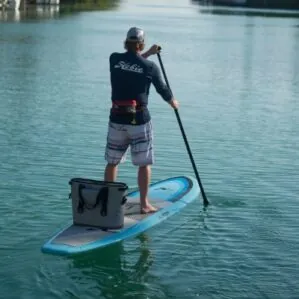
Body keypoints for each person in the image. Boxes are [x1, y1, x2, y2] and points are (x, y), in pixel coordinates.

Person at [104, 27, 179, 214]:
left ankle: (109, 201)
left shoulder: (114, 59)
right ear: (141, 44)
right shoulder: (150, 67)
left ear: (126, 42)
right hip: (139, 121)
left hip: (117, 119)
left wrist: (148, 54)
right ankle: (144, 205)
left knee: (112, 162)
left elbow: (131, 64)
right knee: (144, 163)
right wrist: (173, 102)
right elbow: (162, 88)